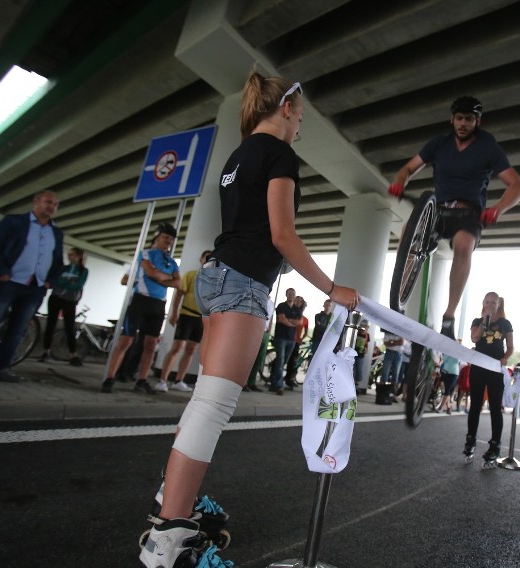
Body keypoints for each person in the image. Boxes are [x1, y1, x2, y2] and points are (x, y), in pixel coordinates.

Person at [138, 71, 358, 568]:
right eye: (300, 115)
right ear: (285, 109)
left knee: (202, 401)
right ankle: (169, 541)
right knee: (213, 406)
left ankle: (177, 498)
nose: (300, 125)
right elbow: (283, 236)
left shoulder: (238, 157)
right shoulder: (279, 154)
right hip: (242, 283)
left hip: (215, 275)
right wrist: (332, 288)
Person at [388, 96, 520, 339]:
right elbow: (407, 169)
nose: (463, 123)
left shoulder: (488, 146)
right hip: (438, 210)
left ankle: (449, 317)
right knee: (409, 231)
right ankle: (398, 294)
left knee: (463, 246)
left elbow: (517, 186)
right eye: (459, 118)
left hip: (468, 213)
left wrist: (497, 209)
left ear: (478, 121)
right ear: (452, 119)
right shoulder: (439, 144)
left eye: (469, 119)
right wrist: (400, 182)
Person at [0, 191, 64, 383]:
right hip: (9, 282)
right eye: (48, 202)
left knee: (18, 330)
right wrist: (1, 270)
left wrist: (51, 281)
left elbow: (58, 261)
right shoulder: (14, 222)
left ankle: (1, 369)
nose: (52, 207)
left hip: (35, 288)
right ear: (36, 202)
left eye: (56, 204)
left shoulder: (56, 232)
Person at [101, 222, 180, 394]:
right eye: (166, 237)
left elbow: (178, 282)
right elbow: (151, 273)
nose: (169, 241)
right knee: (126, 340)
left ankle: (142, 380)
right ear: (157, 236)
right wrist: (165, 278)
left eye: (171, 239)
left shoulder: (172, 261)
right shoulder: (145, 253)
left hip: (159, 305)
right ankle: (109, 378)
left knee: (151, 345)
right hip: (140, 301)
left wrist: (159, 277)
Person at [463, 292, 513, 466]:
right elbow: (475, 338)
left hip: (494, 369)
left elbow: (510, 347)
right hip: (478, 367)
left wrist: (505, 358)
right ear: (483, 303)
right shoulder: (477, 321)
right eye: (487, 302)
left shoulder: (505, 324)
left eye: (493, 302)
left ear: (498, 304)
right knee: (475, 405)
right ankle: (470, 441)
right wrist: (484, 321)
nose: (490, 304)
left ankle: (494, 446)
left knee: (494, 407)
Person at [155, 250, 211, 393]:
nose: (209, 260)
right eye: (207, 257)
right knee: (177, 348)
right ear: (201, 259)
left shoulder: (214, 280)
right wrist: (174, 314)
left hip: (201, 319)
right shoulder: (191, 275)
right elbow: (179, 294)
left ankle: (179, 380)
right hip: (186, 315)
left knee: (191, 350)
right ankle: (162, 380)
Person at [38, 247, 88, 366]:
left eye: (74, 255)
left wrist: (64, 283)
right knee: (51, 323)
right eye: (70, 255)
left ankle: (73, 355)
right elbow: (56, 281)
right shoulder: (63, 268)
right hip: (55, 298)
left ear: (79, 256)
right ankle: (46, 352)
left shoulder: (83, 271)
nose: (71, 257)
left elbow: (79, 285)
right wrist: (69, 282)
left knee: (69, 327)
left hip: (70, 300)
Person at [270, 287, 302, 394]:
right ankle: (279, 386)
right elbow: (281, 319)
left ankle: (273, 383)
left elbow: (300, 322)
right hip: (280, 338)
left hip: (291, 339)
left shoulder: (297, 309)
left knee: (283, 362)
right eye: (289, 294)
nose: (291, 296)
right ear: (286, 295)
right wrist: (292, 322)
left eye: (293, 294)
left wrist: (288, 320)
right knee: (280, 361)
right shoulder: (281, 306)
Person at [284, 295, 308, 389]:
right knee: (283, 359)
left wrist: (301, 339)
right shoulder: (289, 313)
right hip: (287, 338)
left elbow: (305, 331)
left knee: (292, 362)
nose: (298, 302)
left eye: (300, 301)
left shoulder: (304, 319)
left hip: (296, 341)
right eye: (296, 300)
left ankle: (288, 380)